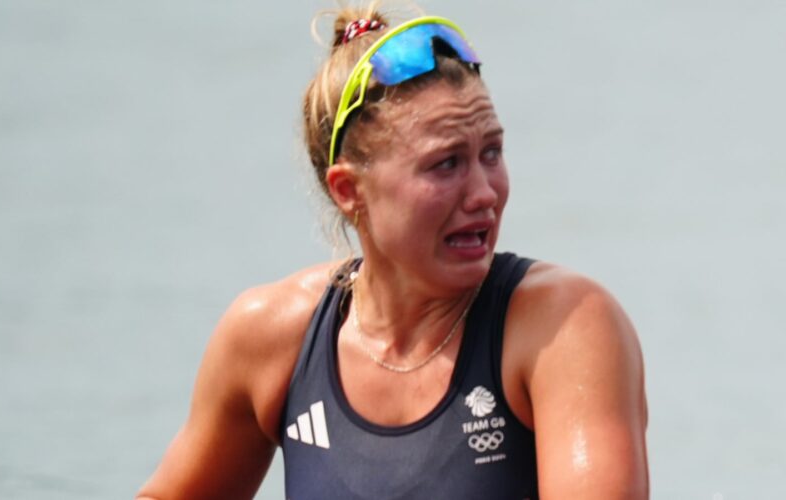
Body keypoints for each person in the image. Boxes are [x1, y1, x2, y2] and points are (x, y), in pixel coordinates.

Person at [136, 4, 649, 499]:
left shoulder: (565, 330)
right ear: (348, 190)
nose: (484, 193)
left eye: (490, 153)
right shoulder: (270, 337)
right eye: (445, 164)